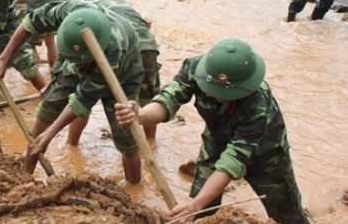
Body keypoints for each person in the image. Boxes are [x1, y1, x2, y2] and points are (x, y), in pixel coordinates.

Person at [115, 38, 310, 224]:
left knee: (288, 216)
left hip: (266, 155)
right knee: (200, 211)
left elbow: (231, 162)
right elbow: (169, 100)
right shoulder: (196, 69)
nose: (212, 95)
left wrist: (195, 205)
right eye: (210, 89)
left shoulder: (257, 106)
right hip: (217, 142)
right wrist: (139, 115)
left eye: (224, 94)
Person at [0, 3, 145, 183]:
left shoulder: (114, 51)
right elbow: (30, 23)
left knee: (127, 137)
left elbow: (81, 101)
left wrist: (50, 134)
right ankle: (25, 176)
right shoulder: (68, 13)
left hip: (124, 74)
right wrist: (3, 59)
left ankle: (134, 190)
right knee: (50, 104)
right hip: (80, 54)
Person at [63, 0, 160, 141]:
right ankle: (150, 141)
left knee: (82, 97)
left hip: (123, 48)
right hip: (148, 47)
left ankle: (72, 144)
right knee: (147, 98)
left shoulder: (82, 12)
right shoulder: (117, 0)